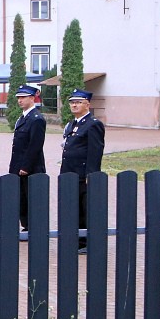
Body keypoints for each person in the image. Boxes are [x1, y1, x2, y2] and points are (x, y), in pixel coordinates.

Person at [60, 89, 105, 240]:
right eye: (72, 102)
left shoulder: (93, 124)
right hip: (69, 172)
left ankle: (85, 241)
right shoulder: (72, 124)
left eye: (78, 102)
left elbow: (95, 151)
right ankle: (75, 238)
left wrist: (91, 174)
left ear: (87, 104)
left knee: (84, 208)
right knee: (72, 207)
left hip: (82, 173)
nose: (74, 105)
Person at [8, 84, 46, 231]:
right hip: (19, 164)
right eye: (18, 98)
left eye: (23, 97)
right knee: (22, 198)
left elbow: (35, 145)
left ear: (32, 98)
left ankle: (33, 226)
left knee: (31, 198)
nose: (20, 101)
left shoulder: (36, 119)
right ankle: (26, 225)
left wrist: (26, 166)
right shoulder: (23, 117)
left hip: (30, 167)